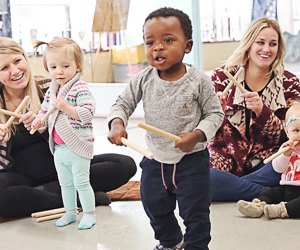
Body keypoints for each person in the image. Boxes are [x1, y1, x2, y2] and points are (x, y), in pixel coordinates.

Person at [107, 7, 224, 250]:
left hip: (191, 161)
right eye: (150, 42)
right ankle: (171, 242)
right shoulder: (143, 78)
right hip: (155, 159)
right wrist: (117, 123)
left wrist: (197, 135)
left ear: (187, 46)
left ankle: (196, 246)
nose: (158, 47)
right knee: (153, 205)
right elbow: (122, 103)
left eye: (168, 40)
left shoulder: (199, 80)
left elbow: (215, 114)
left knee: (196, 214)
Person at [0, 37, 137, 219]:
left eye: (17, 61)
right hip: (23, 177)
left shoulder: (52, 88)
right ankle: (75, 198)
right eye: (4, 68)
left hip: (66, 164)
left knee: (124, 165)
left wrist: (43, 124)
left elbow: (78, 127)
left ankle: (51, 194)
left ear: (25, 58)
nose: (15, 71)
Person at [208, 17, 300, 201]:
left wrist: (263, 112)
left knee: (289, 162)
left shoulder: (289, 82)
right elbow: (202, 129)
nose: (266, 49)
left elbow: (287, 138)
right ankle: (269, 194)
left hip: (266, 164)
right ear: (249, 44)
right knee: (198, 177)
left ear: (278, 49)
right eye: (260, 42)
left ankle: (236, 187)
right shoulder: (221, 77)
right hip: (222, 162)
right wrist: (211, 111)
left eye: (272, 44)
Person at [31, 38, 97, 229]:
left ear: (78, 66)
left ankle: (90, 214)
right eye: (53, 67)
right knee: (65, 184)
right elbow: (44, 110)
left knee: (82, 183)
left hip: (77, 146)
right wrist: (39, 120)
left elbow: (88, 113)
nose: (58, 71)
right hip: (59, 148)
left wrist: (67, 108)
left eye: (65, 65)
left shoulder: (80, 88)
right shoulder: (53, 89)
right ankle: (70, 212)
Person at [237, 103, 300, 219]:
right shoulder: (286, 149)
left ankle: (281, 210)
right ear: (287, 131)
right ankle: (258, 205)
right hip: (287, 188)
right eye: (296, 130)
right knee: (270, 192)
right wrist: (285, 155)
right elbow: (278, 168)